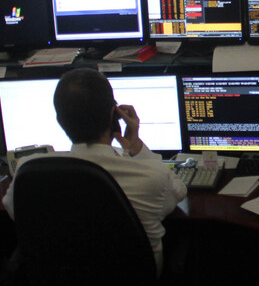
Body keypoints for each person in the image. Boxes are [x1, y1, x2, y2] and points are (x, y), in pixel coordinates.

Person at [2, 68, 187, 275]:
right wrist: (135, 146)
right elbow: (179, 191)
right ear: (113, 116)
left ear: (60, 120)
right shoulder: (152, 176)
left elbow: (14, 211)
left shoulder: (28, 172)